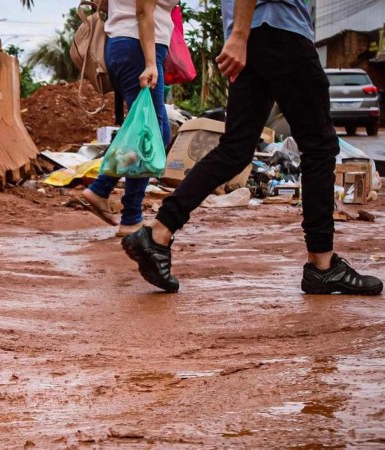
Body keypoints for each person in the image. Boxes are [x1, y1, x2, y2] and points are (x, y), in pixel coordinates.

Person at [122, 0, 383, 295]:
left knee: (235, 149)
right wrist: (239, 36)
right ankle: (322, 266)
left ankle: (158, 233)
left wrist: (241, 35)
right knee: (320, 147)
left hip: (255, 37)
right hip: (280, 30)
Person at [80, 0, 177, 238]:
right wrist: (151, 63)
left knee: (150, 131)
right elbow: (143, 10)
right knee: (149, 133)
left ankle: (102, 189)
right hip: (138, 46)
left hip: (129, 43)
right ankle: (130, 218)